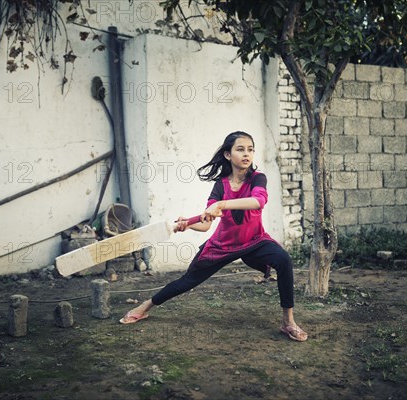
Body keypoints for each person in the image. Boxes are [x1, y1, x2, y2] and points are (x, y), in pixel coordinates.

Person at [119, 131, 307, 342]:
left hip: (254, 240)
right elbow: (207, 223)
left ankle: (288, 321)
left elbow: (258, 202)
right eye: (240, 149)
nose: (247, 154)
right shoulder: (220, 185)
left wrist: (222, 204)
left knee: (283, 259)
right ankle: (146, 306)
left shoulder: (257, 178)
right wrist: (188, 225)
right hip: (223, 245)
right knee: (187, 281)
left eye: (250, 149)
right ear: (228, 155)